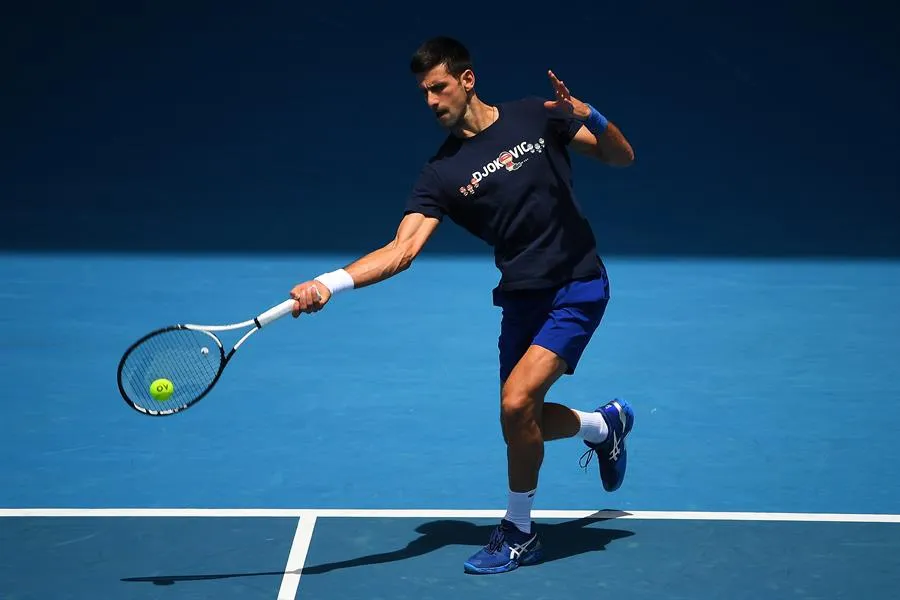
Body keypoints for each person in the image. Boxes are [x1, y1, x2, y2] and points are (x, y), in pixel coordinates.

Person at [289, 36, 636, 575]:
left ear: (467, 80)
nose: (431, 101)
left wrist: (590, 114)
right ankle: (602, 426)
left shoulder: (536, 115)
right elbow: (401, 250)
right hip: (521, 299)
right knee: (520, 420)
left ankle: (519, 531)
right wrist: (328, 283)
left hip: (577, 285)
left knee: (517, 405)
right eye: (424, 93)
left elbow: (621, 155)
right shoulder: (441, 174)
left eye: (439, 87)